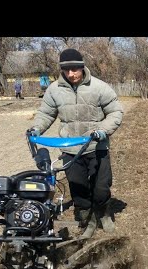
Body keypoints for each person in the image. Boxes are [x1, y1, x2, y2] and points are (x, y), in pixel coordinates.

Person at [27, 48, 123, 239]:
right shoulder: (54, 90)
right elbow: (46, 113)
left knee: (101, 187)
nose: (71, 74)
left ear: (82, 67)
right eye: (66, 70)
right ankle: (86, 217)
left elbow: (115, 112)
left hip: (96, 147)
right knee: (78, 187)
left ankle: (103, 214)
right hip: (70, 148)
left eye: (75, 69)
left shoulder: (99, 87)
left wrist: (102, 130)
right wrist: (36, 129)